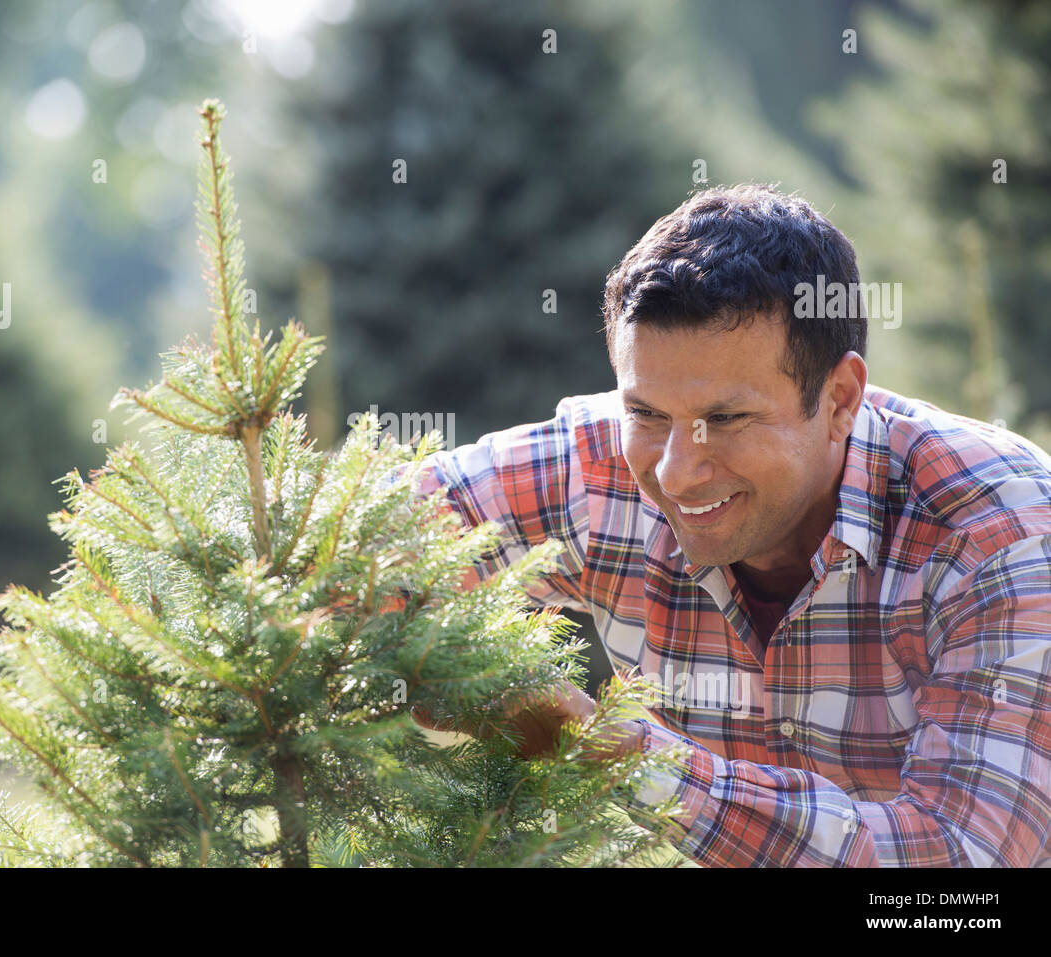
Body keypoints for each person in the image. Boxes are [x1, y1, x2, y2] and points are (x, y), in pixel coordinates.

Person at [403, 183, 1051, 866]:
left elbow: (961, 870)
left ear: (839, 400)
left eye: (729, 419)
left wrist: (611, 752)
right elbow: (367, 523)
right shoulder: (597, 470)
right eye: (647, 414)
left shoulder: (1001, 534)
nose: (678, 472)